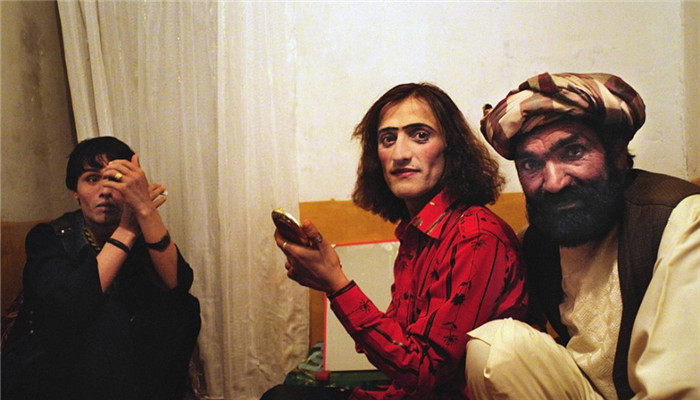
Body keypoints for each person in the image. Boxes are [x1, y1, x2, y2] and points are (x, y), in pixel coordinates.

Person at [265, 83, 528, 399]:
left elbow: (422, 370)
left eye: (420, 135)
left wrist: (336, 284)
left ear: (451, 148)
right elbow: (400, 343)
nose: (401, 154)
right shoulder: (416, 234)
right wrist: (328, 278)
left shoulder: (475, 236)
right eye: (388, 139)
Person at [468, 72, 700, 399]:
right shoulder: (537, 241)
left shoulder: (680, 218)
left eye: (573, 152)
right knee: (496, 348)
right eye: (531, 165)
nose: (554, 182)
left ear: (617, 154)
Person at [1, 137, 201, 400]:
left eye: (116, 179)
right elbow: (71, 304)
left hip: (123, 369)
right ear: (75, 190)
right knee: (108, 315)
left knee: (183, 307)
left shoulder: (140, 229)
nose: (105, 190)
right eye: (92, 179)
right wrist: (127, 230)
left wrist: (146, 211)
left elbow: (178, 284)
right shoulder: (48, 237)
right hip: (50, 365)